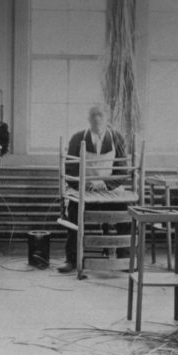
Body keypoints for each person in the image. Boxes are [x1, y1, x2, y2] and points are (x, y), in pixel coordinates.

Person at [58, 102, 128, 273]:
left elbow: (123, 170)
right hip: (85, 188)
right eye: (93, 115)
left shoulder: (117, 138)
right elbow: (70, 169)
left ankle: (125, 257)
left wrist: (105, 184)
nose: (97, 118)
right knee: (74, 211)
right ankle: (72, 260)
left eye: (100, 115)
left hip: (109, 190)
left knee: (126, 211)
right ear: (88, 118)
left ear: (107, 118)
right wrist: (86, 184)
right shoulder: (77, 138)